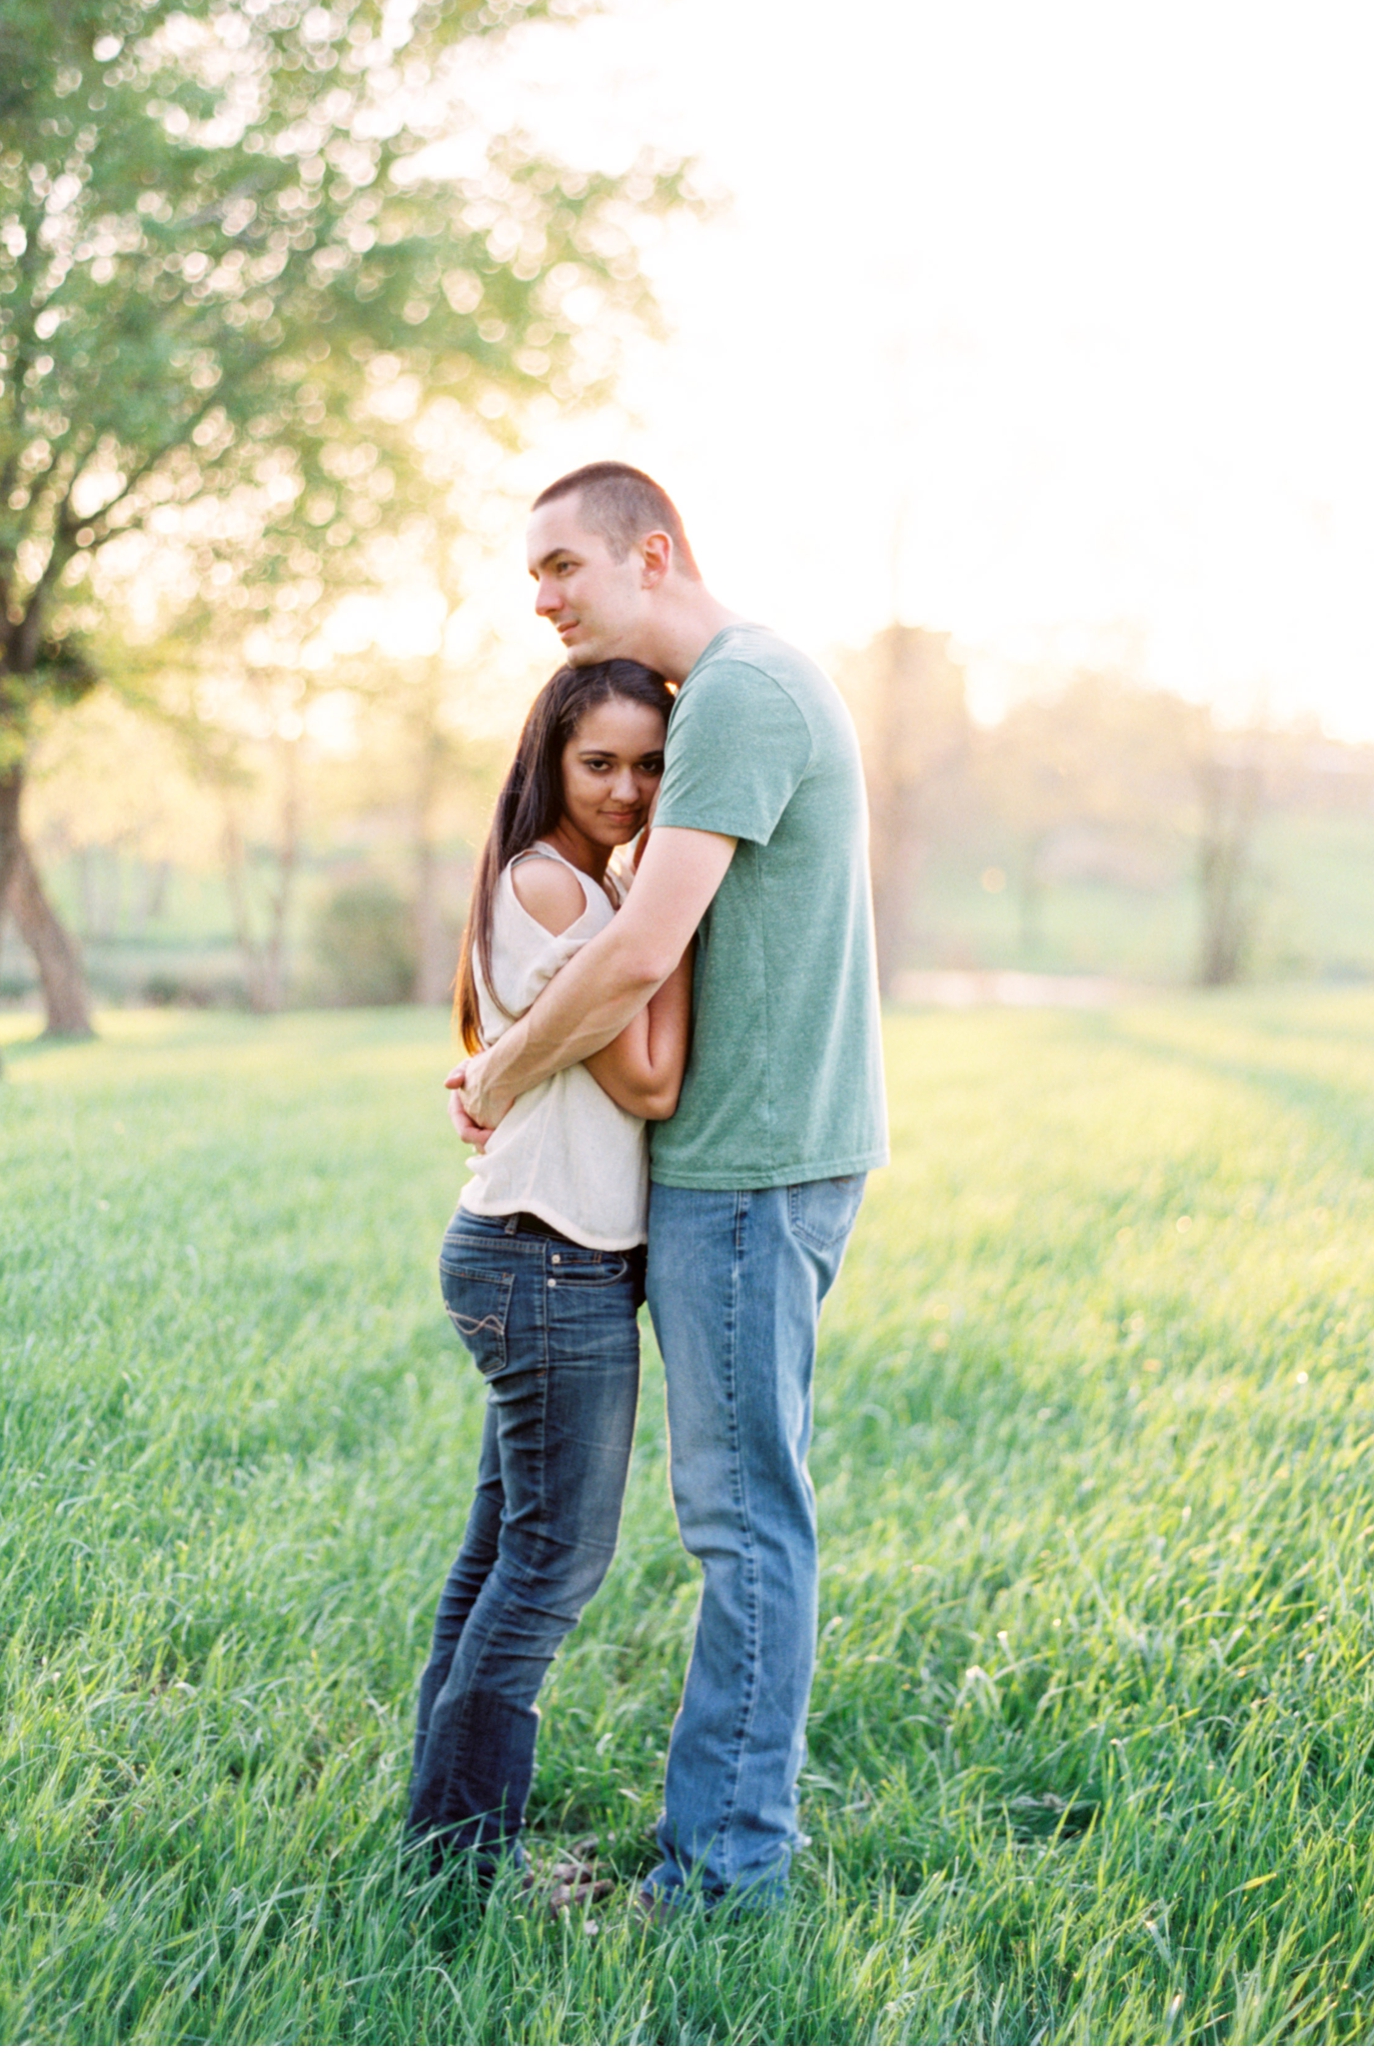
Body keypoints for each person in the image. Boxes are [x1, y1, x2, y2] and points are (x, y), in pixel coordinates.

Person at [448, 460, 888, 1913]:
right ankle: (568, 1843)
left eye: (563, 566)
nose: (544, 600)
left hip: (751, 1165)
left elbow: (637, 957)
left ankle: (723, 1875)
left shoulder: (742, 696)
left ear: (651, 550)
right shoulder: (726, 700)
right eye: (533, 581)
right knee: (674, 1520)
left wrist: (499, 1073)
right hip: (732, 1161)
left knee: (740, 1521)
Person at [408, 657, 692, 1907]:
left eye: (648, 765)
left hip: (533, 1252)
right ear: (552, 762)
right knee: (551, 1563)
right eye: (600, 763)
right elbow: (648, 1082)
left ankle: (440, 1842)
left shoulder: (580, 882)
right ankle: (465, 1859)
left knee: (497, 1562)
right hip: (544, 1259)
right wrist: (661, 934)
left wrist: (636, 923)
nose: (628, 788)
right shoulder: (553, 881)